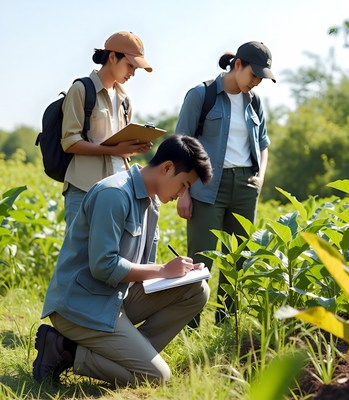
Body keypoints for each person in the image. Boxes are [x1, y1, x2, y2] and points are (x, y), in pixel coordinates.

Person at [32, 135, 213, 387]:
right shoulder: (114, 194)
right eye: (183, 184)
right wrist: (163, 269)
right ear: (167, 167)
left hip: (116, 298)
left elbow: (143, 271)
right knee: (157, 378)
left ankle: (128, 353)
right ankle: (65, 349)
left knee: (196, 289)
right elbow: (103, 266)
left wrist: (180, 273)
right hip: (81, 306)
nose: (182, 193)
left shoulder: (152, 203)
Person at [175, 41, 276, 326]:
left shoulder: (254, 101)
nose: (256, 83)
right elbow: (181, 144)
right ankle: (189, 327)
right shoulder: (201, 95)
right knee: (200, 261)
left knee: (238, 260)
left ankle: (225, 326)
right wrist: (183, 192)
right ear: (238, 65)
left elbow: (264, 144)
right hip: (206, 187)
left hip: (245, 187)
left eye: (261, 79)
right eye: (254, 75)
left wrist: (261, 176)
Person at [62, 31, 153, 228]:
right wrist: (113, 150)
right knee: (79, 256)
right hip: (84, 188)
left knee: (111, 255)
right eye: (130, 65)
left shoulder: (125, 100)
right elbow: (69, 142)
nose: (132, 73)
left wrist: (133, 147)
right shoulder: (81, 90)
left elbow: (119, 146)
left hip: (118, 189)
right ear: (112, 57)